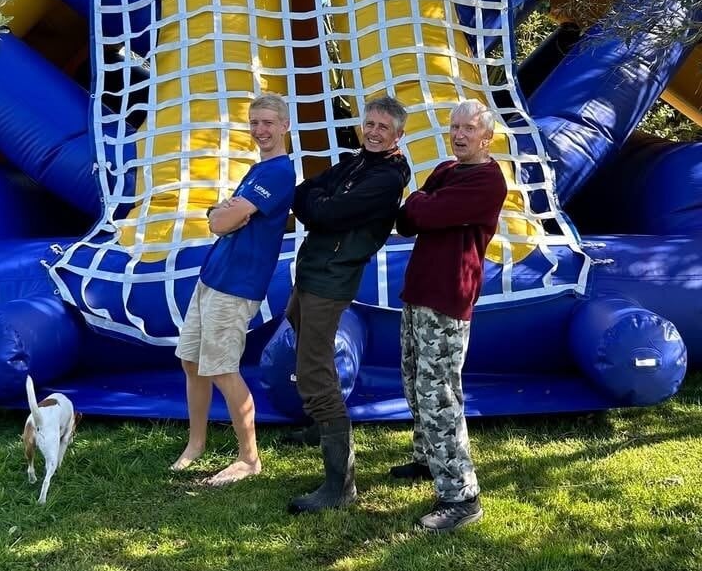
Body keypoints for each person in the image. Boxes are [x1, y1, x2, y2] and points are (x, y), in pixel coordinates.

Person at [287, 96, 411, 513]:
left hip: (331, 276)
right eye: (369, 124)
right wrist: (316, 205)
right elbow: (306, 192)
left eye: (383, 127)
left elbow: (326, 213)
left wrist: (317, 207)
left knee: (313, 366)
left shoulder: (388, 177)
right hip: (313, 268)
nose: (373, 132)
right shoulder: (359, 161)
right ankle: (319, 424)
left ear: (398, 135)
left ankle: (341, 484)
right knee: (297, 326)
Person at [391, 99, 507, 532]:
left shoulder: (488, 182)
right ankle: (428, 458)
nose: (459, 134)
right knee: (413, 379)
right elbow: (408, 220)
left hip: (448, 299)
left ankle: (461, 496)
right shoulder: (445, 171)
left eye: (468, 128)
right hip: (418, 291)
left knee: (439, 393)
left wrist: (427, 203)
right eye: (454, 126)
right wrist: (426, 203)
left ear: (486, 137)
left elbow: (424, 210)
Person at [171, 93, 296, 485]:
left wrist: (226, 214)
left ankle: (249, 458)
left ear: (285, 126)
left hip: (237, 284)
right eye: (255, 122)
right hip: (213, 277)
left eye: (268, 123)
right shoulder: (257, 170)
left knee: (223, 369)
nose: (260, 130)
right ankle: (196, 443)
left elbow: (220, 223)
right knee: (191, 362)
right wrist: (224, 214)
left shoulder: (278, 171)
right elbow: (219, 217)